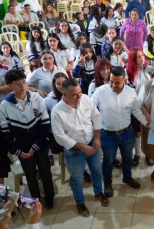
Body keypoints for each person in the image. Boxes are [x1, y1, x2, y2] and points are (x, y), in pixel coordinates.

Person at [51, 78, 109, 217]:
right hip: (74, 151)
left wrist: (97, 138)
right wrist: (81, 147)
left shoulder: (86, 99)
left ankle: (98, 192)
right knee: (77, 178)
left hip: (91, 144)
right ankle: (80, 202)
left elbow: (96, 117)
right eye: (74, 95)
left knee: (96, 171)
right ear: (64, 94)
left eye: (80, 92)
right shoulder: (57, 112)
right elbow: (60, 137)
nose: (79, 97)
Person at [0, 69, 54, 208]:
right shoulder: (5, 106)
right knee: (30, 175)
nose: (22, 86)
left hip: (41, 145)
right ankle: (35, 200)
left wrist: (36, 146)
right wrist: (17, 151)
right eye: (17, 84)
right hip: (22, 148)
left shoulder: (37, 98)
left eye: (24, 82)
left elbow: (45, 125)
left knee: (45, 171)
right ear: (9, 86)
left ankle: (49, 197)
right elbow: (6, 133)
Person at [92, 67, 149, 197]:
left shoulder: (131, 92)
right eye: (111, 82)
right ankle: (107, 183)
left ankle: (127, 177)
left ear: (124, 80)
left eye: (117, 83)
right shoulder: (100, 92)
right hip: (107, 134)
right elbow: (91, 110)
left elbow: (136, 110)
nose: (113, 85)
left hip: (127, 133)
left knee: (127, 158)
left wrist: (146, 123)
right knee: (107, 160)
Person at [125, 47, 154, 166]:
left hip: (150, 105)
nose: (142, 58)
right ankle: (137, 154)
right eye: (138, 56)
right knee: (137, 132)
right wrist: (144, 111)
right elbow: (133, 96)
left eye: (142, 55)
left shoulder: (149, 69)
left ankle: (148, 154)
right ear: (132, 58)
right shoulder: (127, 73)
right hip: (135, 106)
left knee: (148, 131)